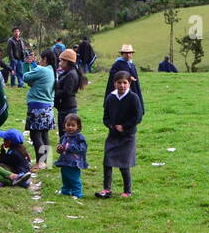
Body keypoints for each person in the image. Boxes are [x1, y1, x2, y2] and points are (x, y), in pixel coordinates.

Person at [98, 71, 143, 199]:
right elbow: (106, 117)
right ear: (114, 84)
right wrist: (112, 126)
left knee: (124, 164)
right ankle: (107, 189)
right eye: (119, 83)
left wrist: (124, 126)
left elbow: (138, 117)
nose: (122, 85)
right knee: (107, 162)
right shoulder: (110, 98)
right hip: (113, 135)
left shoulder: (133, 98)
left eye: (125, 83)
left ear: (129, 83)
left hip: (128, 136)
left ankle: (127, 190)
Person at [22, 49, 57, 168]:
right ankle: (47, 161)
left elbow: (25, 77)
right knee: (44, 135)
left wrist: (27, 64)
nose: (39, 61)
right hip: (48, 107)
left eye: (41, 59)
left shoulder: (41, 69)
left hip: (37, 106)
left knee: (35, 135)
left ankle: (40, 162)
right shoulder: (52, 71)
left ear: (45, 59)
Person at [55, 113, 89, 198]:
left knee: (74, 178)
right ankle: (65, 191)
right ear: (65, 125)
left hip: (74, 162)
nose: (70, 127)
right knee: (65, 177)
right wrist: (59, 149)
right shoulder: (64, 137)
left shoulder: (79, 137)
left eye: (73, 125)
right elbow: (61, 148)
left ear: (78, 126)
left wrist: (68, 147)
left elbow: (82, 149)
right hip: (64, 160)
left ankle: (77, 193)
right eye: (68, 125)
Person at [54, 48, 85, 123]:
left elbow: (67, 92)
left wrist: (54, 92)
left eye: (61, 60)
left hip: (67, 108)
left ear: (67, 61)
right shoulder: (67, 73)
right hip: (64, 107)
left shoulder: (71, 75)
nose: (59, 63)